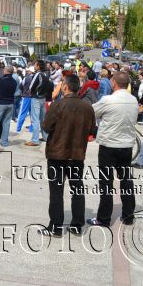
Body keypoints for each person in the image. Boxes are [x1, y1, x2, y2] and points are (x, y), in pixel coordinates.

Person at [42, 74, 95, 237]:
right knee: (77, 189)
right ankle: (77, 225)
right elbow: (92, 130)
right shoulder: (87, 107)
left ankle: (56, 227)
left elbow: (46, 126)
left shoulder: (58, 105)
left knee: (56, 191)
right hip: (76, 155)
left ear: (65, 87)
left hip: (57, 155)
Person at [88, 71, 137, 227]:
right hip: (126, 146)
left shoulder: (108, 100)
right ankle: (128, 215)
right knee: (126, 180)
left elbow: (91, 112)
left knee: (106, 183)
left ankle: (103, 218)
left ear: (114, 83)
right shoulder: (133, 100)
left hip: (109, 146)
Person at [26, 60, 51, 146]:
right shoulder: (46, 74)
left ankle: (35, 140)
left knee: (35, 120)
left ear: (38, 66)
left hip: (36, 98)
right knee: (43, 119)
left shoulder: (38, 74)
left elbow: (31, 87)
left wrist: (32, 92)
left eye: (35, 65)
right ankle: (45, 137)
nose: (34, 66)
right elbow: (49, 86)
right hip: (43, 98)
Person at [0, 66, 17, 147]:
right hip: (10, 103)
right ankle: (4, 142)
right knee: (6, 123)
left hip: (0, 103)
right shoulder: (14, 81)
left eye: (4, 69)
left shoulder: (1, 80)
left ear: (6, 71)